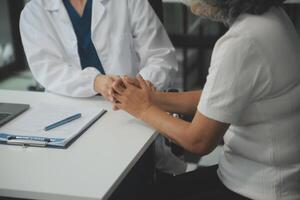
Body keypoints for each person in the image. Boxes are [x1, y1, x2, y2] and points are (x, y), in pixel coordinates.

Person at [112, 0, 300, 199]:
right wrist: (154, 98)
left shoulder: (241, 42)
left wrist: (143, 109)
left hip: (259, 190)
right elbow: (217, 98)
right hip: (263, 177)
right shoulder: (272, 17)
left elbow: (199, 141)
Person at [20, 0, 186, 175]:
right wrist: (96, 81)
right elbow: (47, 69)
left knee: (131, 174)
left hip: (128, 112)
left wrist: (139, 86)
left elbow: (161, 56)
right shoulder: (34, 11)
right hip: (68, 117)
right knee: (72, 175)